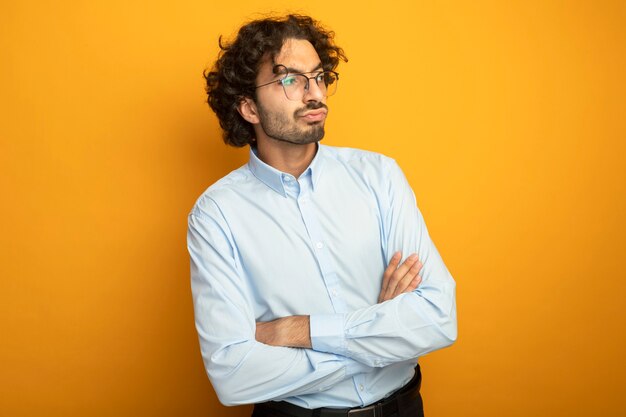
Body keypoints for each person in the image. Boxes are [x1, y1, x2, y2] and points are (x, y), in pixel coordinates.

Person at [188, 14, 457, 417]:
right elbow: (234, 375)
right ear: (249, 107)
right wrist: (382, 331)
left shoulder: (379, 176)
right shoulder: (217, 214)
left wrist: (296, 331)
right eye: (291, 80)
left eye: (319, 76)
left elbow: (438, 319)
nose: (315, 94)